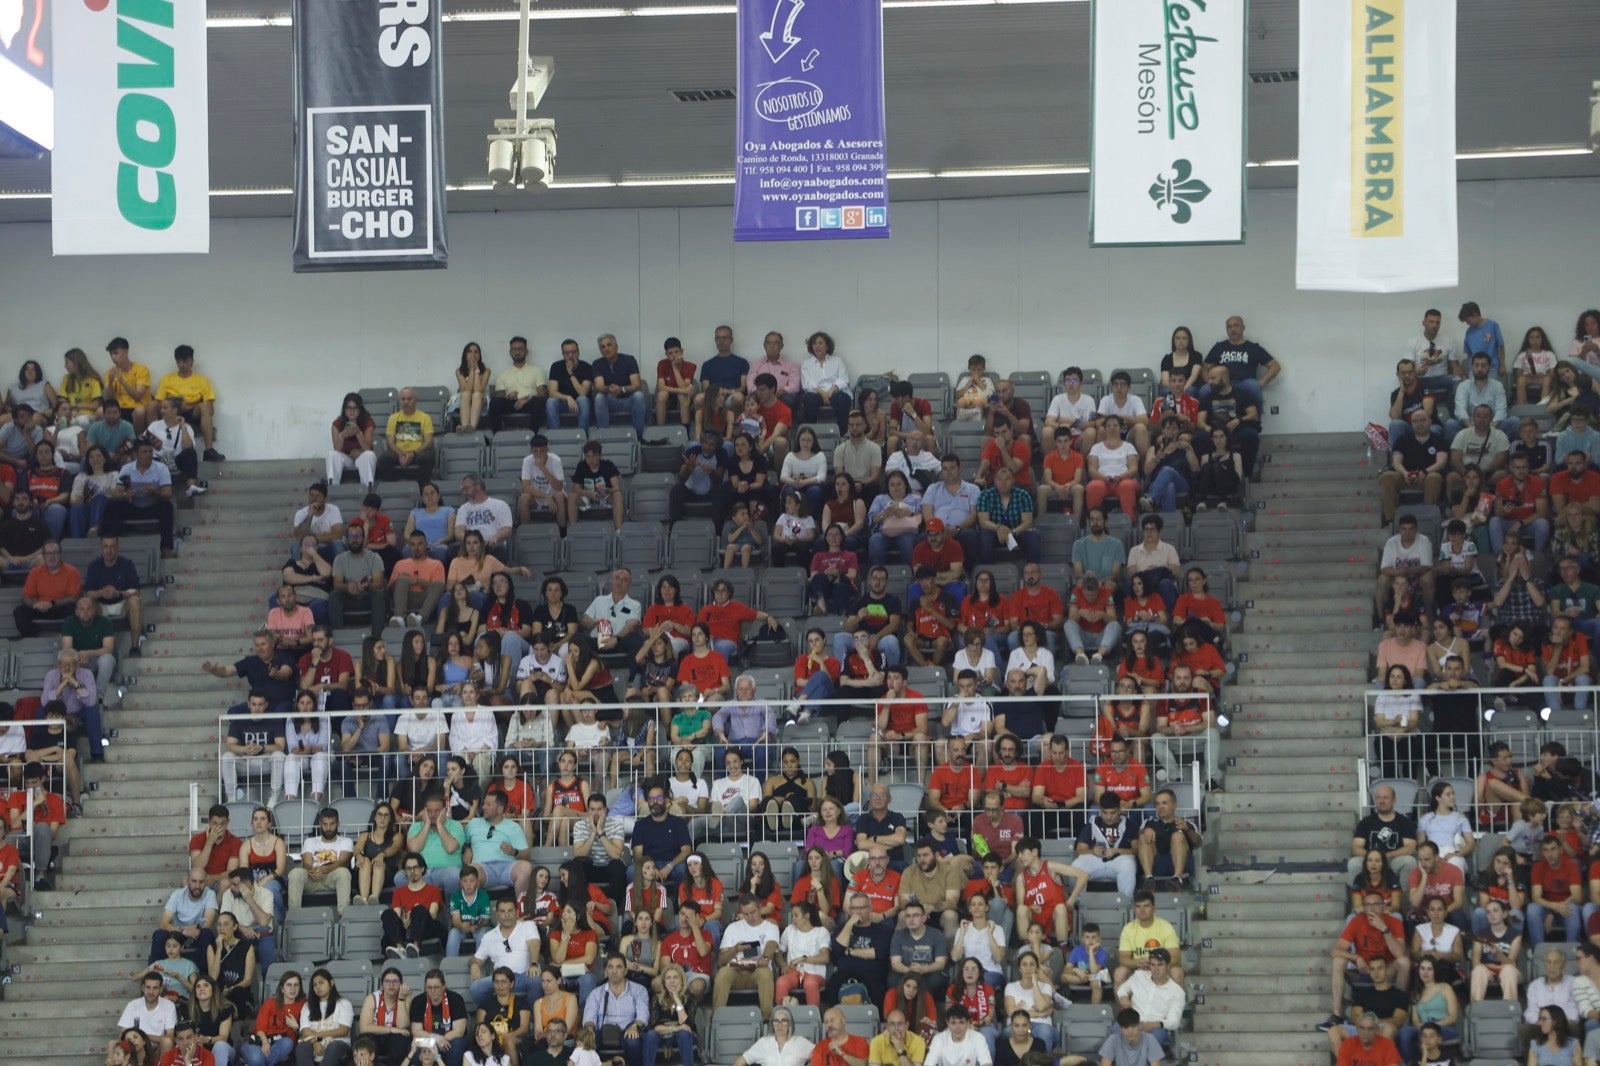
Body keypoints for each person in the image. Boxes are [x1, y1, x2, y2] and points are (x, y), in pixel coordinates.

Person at [591, 333, 647, 439]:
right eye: (603, 347)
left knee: (639, 396)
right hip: (611, 400)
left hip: (628, 400)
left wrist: (621, 389)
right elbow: (599, 386)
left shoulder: (629, 360)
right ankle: (604, 435)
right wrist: (609, 389)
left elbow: (637, 385)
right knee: (599, 397)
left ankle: (639, 436)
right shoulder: (597, 363)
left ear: (616, 347)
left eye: (609, 345)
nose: (606, 349)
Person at [410, 969, 471, 1066]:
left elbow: (459, 1031)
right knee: (414, 1046)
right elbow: (416, 1031)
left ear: (444, 986)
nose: (432, 991)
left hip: (450, 1039)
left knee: (457, 1044)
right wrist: (435, 1039)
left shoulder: (455, 999)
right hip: (428, 1039)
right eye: (429, 987)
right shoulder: (418, 1001)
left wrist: (442, 1040)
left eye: (436, 987)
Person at [379, 389, 436, 483]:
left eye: (409, 399)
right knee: (385, 458)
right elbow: (390, 443)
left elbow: (429, 442)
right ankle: (390, 487)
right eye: (403, 399)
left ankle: (423, 487)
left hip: (418, 454)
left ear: (416, 400)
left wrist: (413, 454)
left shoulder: (425, 418)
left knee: (426, 458)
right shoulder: (393, 418)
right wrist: (401, 454)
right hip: (398, 454)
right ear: (399, 401)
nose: (406, 402)